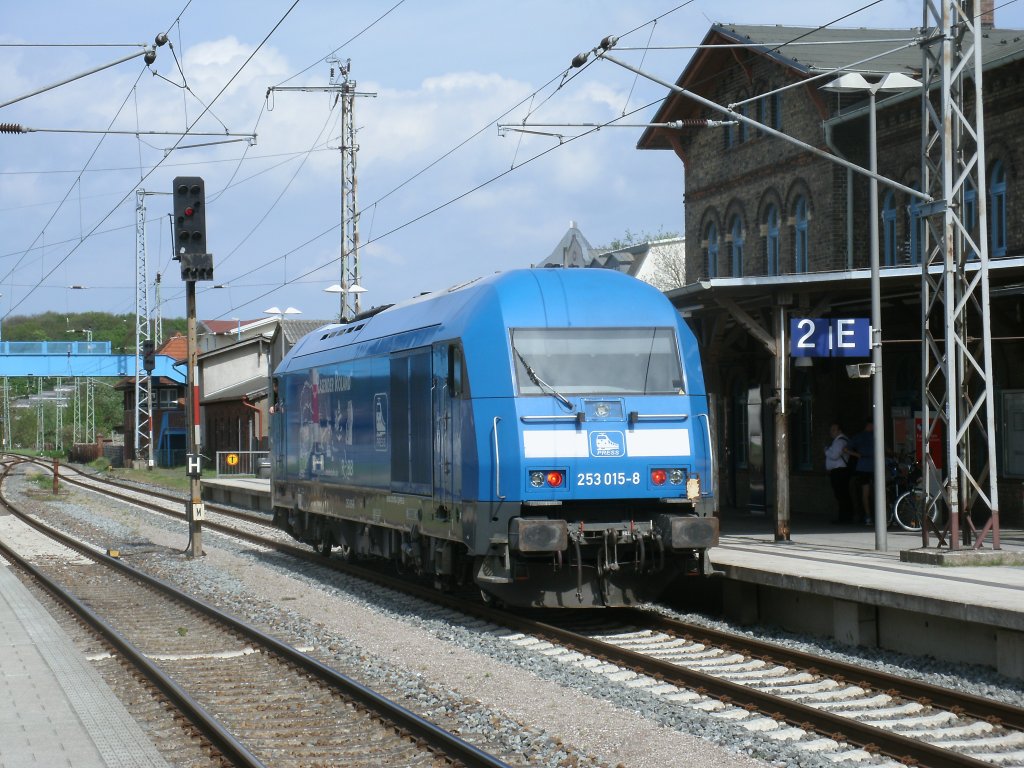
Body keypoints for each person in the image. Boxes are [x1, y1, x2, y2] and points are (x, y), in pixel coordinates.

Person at [846, 420, 875, 524]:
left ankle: (868, 516)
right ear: (869, 425)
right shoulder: (874, 435)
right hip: (873, 467)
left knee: (865, 493)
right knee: (877, 492)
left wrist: (856, 454)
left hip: (863, 467)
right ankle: (871, 515)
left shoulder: (858, 436)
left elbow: (845, 449)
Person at [824, 423, 853, 523]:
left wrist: (826, 450)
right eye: (831, 430)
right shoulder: (837, 441)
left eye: (833, 430)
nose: (831, 432)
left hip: (839, 471)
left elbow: (835, 455)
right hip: (838, 471)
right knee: (841, 494)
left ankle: (845, 517)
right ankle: (844, 516)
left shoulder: (840, 442)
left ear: (840, 431)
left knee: (841, 494)